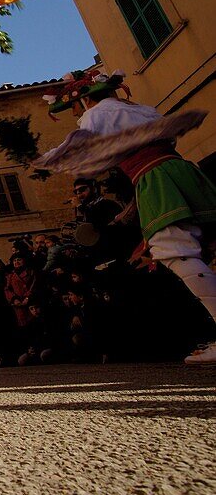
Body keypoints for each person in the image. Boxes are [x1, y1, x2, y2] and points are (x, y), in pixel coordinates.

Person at [37, 69, 216, 363]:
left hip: (153, 177)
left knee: (174, 251)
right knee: (205, 246)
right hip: (182, 170)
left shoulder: (95, 117)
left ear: (83, 100)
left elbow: (79, 148)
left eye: (73, 106)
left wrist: (43, 159)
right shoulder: (143, 110)